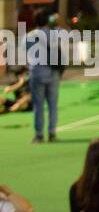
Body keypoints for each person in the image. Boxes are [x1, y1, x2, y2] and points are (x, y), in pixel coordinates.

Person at [25, 11, 60, 144]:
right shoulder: (54, 35)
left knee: (38, 106)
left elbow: (26, 54)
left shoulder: (29, 36)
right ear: (47, 21)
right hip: (52, 73)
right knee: (52, 105)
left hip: (36, 73)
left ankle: (39, 134)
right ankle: (52, 133)